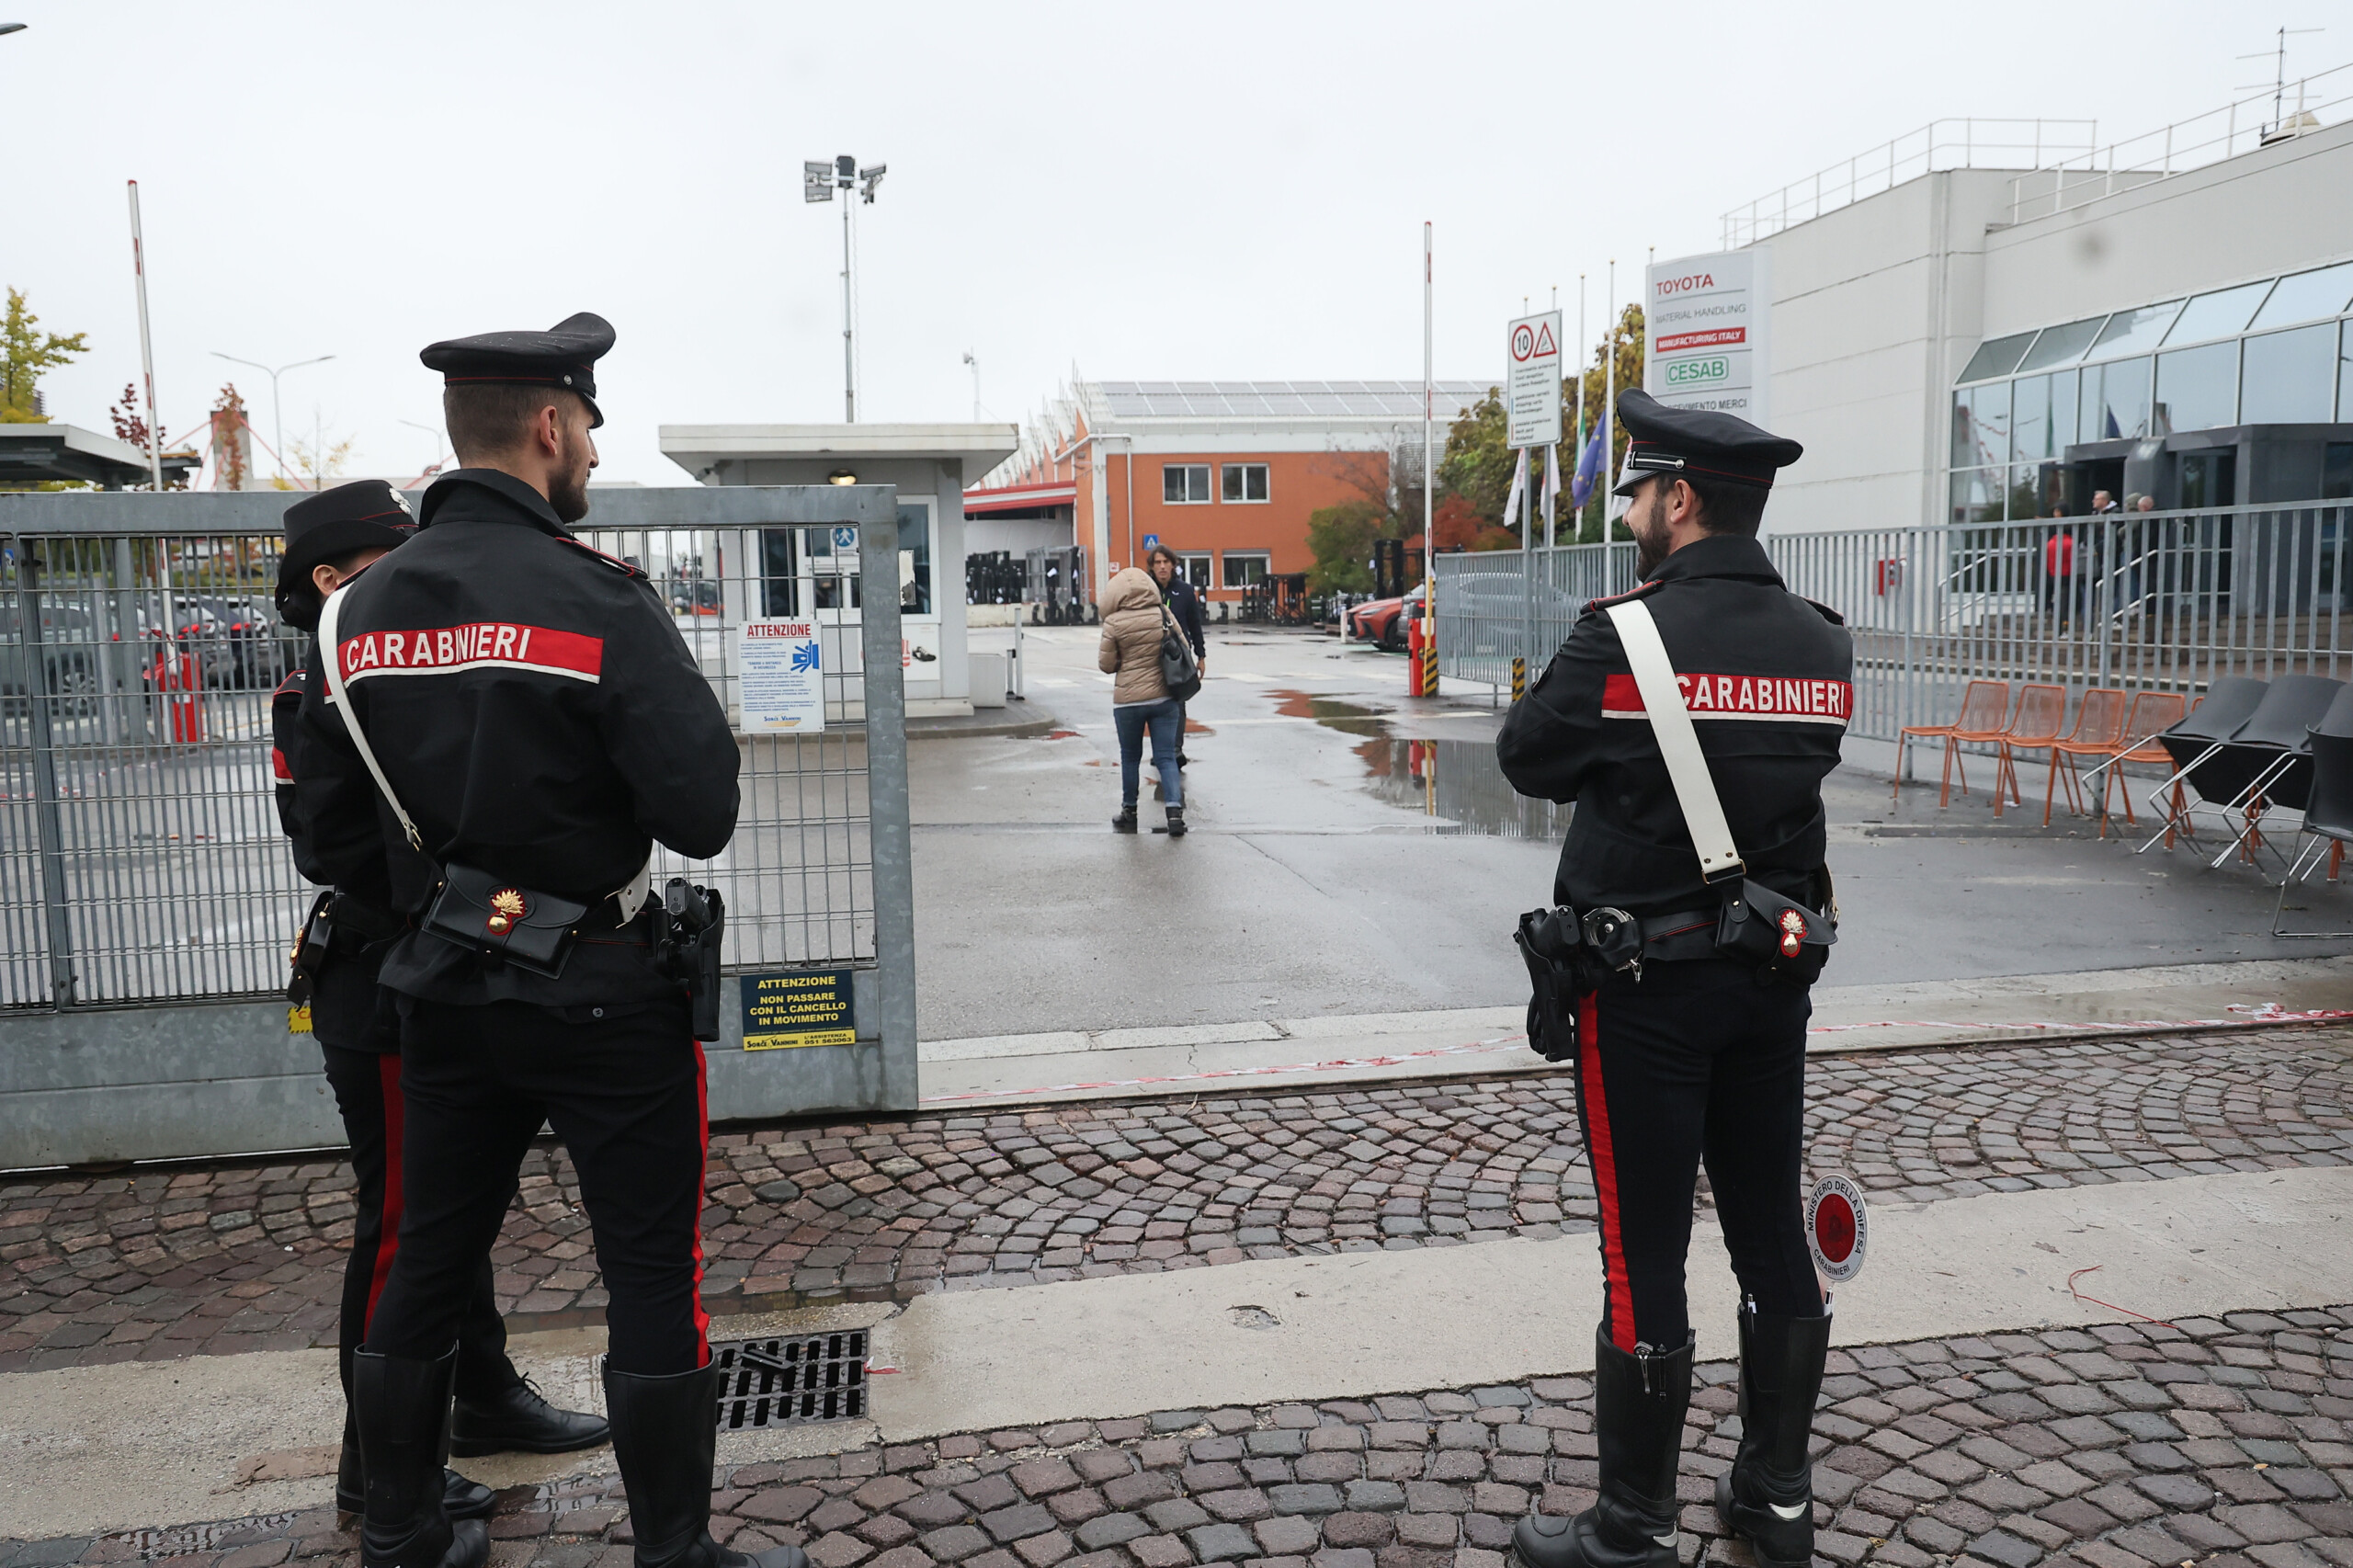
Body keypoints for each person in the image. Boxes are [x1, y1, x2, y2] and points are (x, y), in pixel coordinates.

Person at [296, 314, 797, 1568]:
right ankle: (673, 1552)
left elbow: (336, 841)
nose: (589, 450)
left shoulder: (354, 614)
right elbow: (704, 812)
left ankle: (401, 1532)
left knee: (426, 1256)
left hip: (442, 990)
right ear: (549, 426)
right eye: (588, 428)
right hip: (608, 993)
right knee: (648, 1271)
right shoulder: (600, 598)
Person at [1495, 390, 1851, 1568]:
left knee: (1641, 1248)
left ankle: (1634, 1523)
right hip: (1771, 981)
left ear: (1681, 498)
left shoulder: (1624, 634)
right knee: (1767, 1233)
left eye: (1641, 492)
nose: (1636, 510)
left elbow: (1529, 754)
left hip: (1643, 988)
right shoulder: (1822, 638)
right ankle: (1776, 1497)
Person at [271, 483, 608, 1526]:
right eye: (386, 560)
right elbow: (340, 855)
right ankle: (374, 1470)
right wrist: (489, 889)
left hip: (430, 968)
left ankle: (483, 1396)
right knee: (402, 1228)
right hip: (380, 984)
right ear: (332, 581)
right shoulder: (318, 687)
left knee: (447, 1211)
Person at [1098, 565, 1186, 836]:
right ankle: (1174, 813)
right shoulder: (1163, 613)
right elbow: (1182, 645)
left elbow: (1106, 664)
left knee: (1130, 757)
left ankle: (1129, 810)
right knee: (1166, 757)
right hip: (1164, 697)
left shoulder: (1113, 623)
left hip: (1128, 701)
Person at [1147, 545, 1205, 765]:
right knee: (1154, 703)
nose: (1162, 567)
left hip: (1179, 654)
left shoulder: (1186, 591)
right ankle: (1159, 750)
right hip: (1152, 654)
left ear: (1173, 565)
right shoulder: (1147, 591)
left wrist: (1201, 656)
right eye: (1158, 563)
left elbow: (1195, 625)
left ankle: (1176, 749)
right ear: (1152, 567)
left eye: (1166, 562)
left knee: (1178, 702)